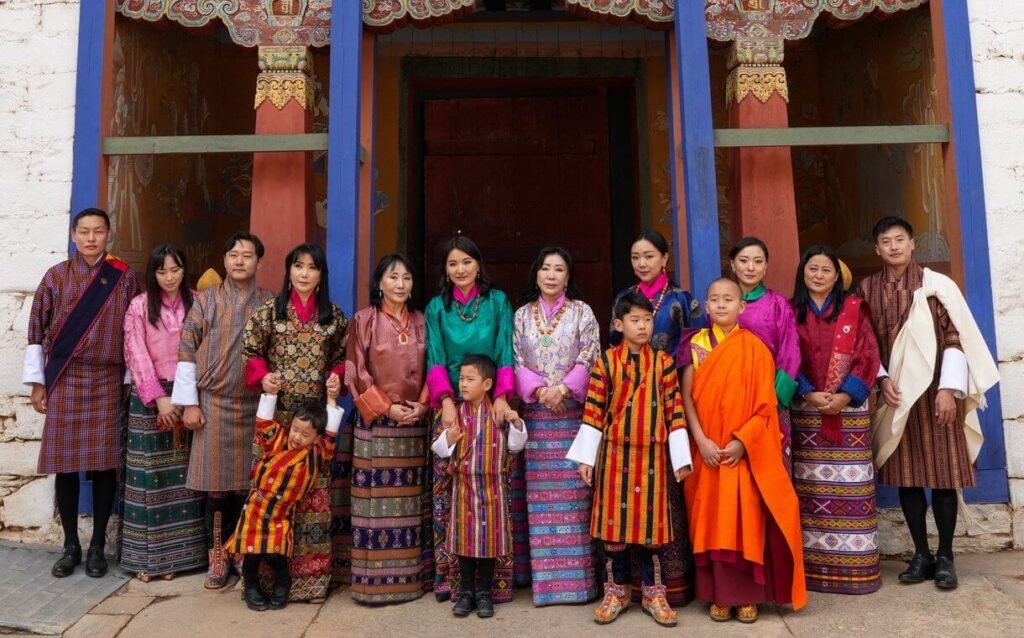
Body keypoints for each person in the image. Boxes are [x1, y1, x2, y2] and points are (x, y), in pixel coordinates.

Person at [858, 217, 999, 590]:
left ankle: (946, 557)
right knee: (907, 476)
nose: (893, 246)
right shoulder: (867, 288)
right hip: (898, 394)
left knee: (942, 476)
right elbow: (867, 341)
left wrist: (948, 389)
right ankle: (921, 554)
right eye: (885, 241)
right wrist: (882, 378)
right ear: (876, 248)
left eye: (899, 240)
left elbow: (956, 336)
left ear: (912, 243)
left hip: (937, 393)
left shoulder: (935, 285)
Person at [680, 278, 806, 623]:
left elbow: (765, 405)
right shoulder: (695, 346)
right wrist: (702, 441)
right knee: (710, 520)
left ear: (741, 307)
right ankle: (718, 595)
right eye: (714, 299)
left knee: (746, 518)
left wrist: (742, 441)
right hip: (706, 449)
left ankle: (748, 595)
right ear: (706, 307)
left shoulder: (755, 348)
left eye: (728, 299)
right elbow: (687, 399)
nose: (721, 304)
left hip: (742, 450)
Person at [23, 208, 140, 578]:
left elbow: (134, 331)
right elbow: (35, 332)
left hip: (107, 380)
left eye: (98, 231)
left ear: (108, 235)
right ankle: (70, 544)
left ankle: (97, 547)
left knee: (105, 464)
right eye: (85, 231)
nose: (91, 238)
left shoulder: (123, 278)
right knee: (66, 465)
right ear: (74, 235)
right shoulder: (55, 277)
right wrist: (39, 382)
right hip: (65, 379)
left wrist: (129, 383)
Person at [567, 291, 691, 628]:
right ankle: (617, 591)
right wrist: (586, 460)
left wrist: (680, 458)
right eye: (635, 320)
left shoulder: (663, 362)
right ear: (619, 324)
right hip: (614, 456)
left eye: (648, 319)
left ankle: (653, 593)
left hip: (651, 458)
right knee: (614, 532)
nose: (643, 326)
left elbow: (674, 410)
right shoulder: (605, 361)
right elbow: (593, 411)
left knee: (651, 533)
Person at [243, 243, 348, 602]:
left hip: (313, 425)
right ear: (288, 271)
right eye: (298, 266)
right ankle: (260, 582)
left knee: (312, 499)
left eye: (311, 267)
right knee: (270, 502)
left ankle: (309, 581)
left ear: (321, 274)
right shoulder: (268, 313)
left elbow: (342, 358)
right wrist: (264, 378)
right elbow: (251, 353)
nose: (304, 273)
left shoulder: (332, 316)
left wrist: (336, 378)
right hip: (276, 422)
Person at [172, 232, 274, 589]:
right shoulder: (206, 301)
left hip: (256, 408)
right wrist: (189, 404)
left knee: (249, 488)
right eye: (233, 254)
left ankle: (244, 553)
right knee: (216, 490)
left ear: (259, 261)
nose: (240, 260)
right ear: (226, 259)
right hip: (213, 405)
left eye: (248, 255)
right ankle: (217, 557)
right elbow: (186, 350)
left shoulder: (269, 303)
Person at [610, 228, 702, 606]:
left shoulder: (683, 300)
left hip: (670, 401)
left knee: (666, 497)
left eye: (649, 255)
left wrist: (680, 398)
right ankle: (625, 586)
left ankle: (670, 586)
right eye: (636, 257)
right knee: (625, 496)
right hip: (627, 409)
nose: (642, 263)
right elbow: (614, 353)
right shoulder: (623, 299)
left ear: (665, 259)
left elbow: (694, 354)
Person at [426, 235, 520, 601]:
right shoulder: (438, 307)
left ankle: (490, 586)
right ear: (446, 271)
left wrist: (500, 397)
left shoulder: (497, 302)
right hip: (452, 406)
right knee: (449, 497)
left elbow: (505, 348)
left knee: (494, 496)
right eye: (452, 264)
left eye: (466, 262)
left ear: (478, 265)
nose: (460, 269)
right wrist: (447, 400)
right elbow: (434, 355)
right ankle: (453, 581)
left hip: (492, 405)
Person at [789, 246, 882, 595]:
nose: (818, 275)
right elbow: (786, 355)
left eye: (826, 269)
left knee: (853, 489)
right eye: (812, 268)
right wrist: (808, 392)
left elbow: (868, 352)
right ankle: (813, 570)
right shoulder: (791, 310)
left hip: (848, 411)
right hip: (806, 411)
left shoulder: (854, 309)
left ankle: (855, 571)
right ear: (802, 273)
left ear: (837, 275)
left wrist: (845, 395)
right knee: (809, 491)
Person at [513, 247, 601, 606]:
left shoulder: (582, 312)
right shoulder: (521, 315)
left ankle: (578, 586)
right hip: (536, 419)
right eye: (545, 268)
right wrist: (539, 391)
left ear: (568, 277)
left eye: (558, 269)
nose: (551, 275)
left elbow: (590, 353)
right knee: (539, 502)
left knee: (574, 499)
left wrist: (564, 388)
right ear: (536, 274)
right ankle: (547, 586)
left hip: (571, 416)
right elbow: (516, 357)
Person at [344, 254, 432, 604]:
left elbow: (434, 365)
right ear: (379, 283)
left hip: (414, 423)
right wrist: (386, 407)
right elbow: (355, 370)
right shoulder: (364, 320)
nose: (400, 284)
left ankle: (410, 581)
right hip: (377, 424)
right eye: (393, 277)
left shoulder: (423, 321)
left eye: (406, 277)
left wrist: (423, 404)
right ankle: (372, 586)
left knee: (411, 505)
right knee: (374, 508)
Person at [121, 244, 205, 581]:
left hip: (189, 395)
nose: (169, 277)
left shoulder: (199, 302)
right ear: (152, 274)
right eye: (161, 271)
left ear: (185, 269)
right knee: (148, 480)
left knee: (185, 479)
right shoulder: (139, 306)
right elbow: (135, 351)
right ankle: (148, 560)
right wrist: (159, 399)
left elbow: (206, 350)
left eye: (175, 269)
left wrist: (187, 398)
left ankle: (180, 560)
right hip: (150, 396)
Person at [228, 374, 343, 611]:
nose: (298, 437)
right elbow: (263, 424)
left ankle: (283, 584)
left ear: (316, 438)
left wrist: (331, 399)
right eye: (296, 430)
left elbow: (331, 432)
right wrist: (270, 394)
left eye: (305, 434)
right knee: (252, 556)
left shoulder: (318, 453)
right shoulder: (279, 439)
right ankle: (251, 586)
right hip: (256, 509)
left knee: (275, 556)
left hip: (282, 515)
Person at [431, 354, 528, 618]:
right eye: (461, 379)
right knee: (464, 543)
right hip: (463, 488)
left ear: (487, 384)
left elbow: (515, 446)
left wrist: (517, 424)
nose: (462, 384)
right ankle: (466, 593)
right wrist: (447, 440)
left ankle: (485, 593)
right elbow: (438, 450)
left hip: (492, 489)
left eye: (469, 379)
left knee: (488, 544)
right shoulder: (453, 414)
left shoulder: (500, 414)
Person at [726, 237, 801, 470]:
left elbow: (791, 353)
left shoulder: (778, 304)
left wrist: (774, 399)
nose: (751, 268)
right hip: (729, 397)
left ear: (766, 267)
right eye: (744, 261)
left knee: (770, 466)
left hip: (769, 396)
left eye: (758, 261)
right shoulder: (721, 302)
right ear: (732, 264)